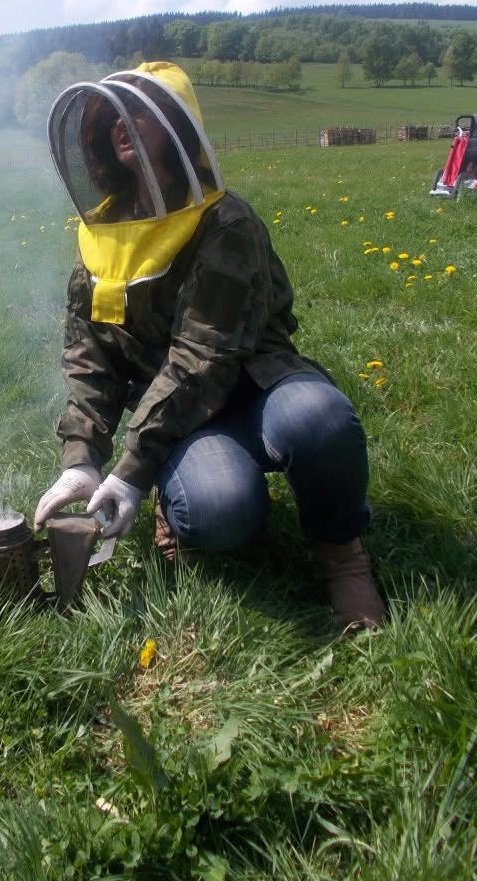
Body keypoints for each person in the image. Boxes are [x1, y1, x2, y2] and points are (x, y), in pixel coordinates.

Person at [33, 61, 385, 632]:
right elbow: (89, 360)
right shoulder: (103, 235)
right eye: (117, 115)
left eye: (144, 114)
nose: (125, 124)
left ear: (177, 131)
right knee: (218, 510)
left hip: (257, 386)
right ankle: (184, 505)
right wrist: (82, 463)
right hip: (182, 420)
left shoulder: (227, 223)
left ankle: (344, 556)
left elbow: (205, 356)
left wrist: (131, 471)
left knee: (321, 419)